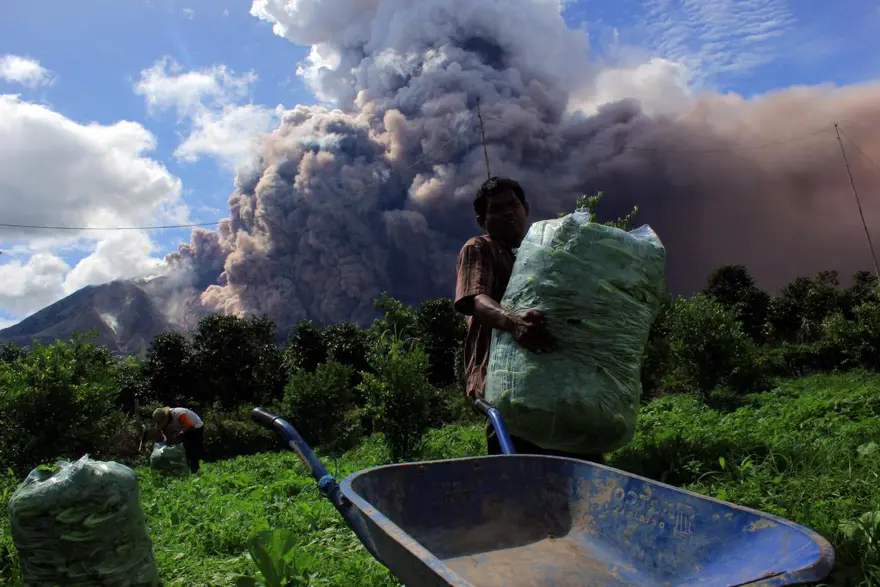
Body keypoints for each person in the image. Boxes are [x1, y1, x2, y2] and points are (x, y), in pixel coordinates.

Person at [454, 176, 605, 464]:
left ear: (526, 208)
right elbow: (473, 298)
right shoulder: (479, 248)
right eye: (496, 209)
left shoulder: (541, 253)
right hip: (502, 383)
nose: (508, 212)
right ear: (481, 219)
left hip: (552, 381)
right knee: (521, 468)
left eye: (513, 204)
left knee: (579, 463)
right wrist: (513, 322)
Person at [152, 406, 205, 475]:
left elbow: (189, 428)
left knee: (191, 449)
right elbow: (164, 434)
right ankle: (184, 469)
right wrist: (166, 441)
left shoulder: (179, 414)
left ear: (166, 417)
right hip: (184, 429)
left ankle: (195, 471)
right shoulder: (165, 420)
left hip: (195, 428)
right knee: (182, 450)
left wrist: (178, 436)